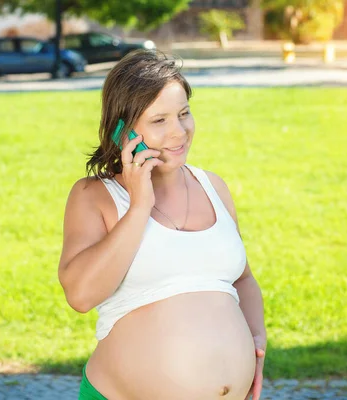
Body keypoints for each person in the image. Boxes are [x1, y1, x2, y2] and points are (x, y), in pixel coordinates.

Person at [58, 50, 267, 400]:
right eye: (159, 121)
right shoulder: (95, 196)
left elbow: (242, 279)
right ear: (123, 129)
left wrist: (256, 342)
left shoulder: (213, 187)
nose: (179, 131)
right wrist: (140, 206)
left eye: (184, 114)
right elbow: (80, 295)